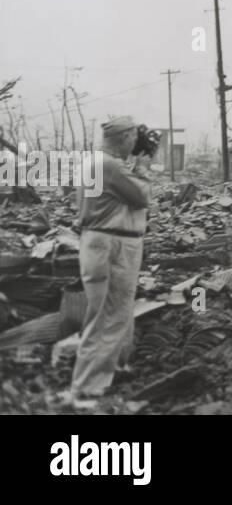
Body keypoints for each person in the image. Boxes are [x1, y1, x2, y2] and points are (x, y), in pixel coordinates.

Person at [70, 115, 151, 399]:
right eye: (132, 137)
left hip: (99, 240)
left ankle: (114, 368)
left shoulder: (92, 162)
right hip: (113, 244)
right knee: (109, 315)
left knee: (114, 311)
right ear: (125, 137)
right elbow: (142, 197)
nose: (135, 142)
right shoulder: (111, 165)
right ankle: (89, 387)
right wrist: (142, 166)